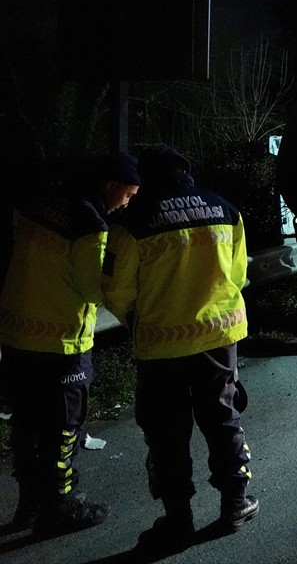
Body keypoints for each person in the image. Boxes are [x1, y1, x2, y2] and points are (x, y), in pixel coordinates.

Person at [104, 145, 258, 553]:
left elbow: (117, 290)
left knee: (167, 433)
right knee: (222, 418)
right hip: (219, 338)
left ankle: (178, 523)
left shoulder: (133, 220)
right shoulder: (225, 209)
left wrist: (136, 318)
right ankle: (236, 503)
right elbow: (239, 273)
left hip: (161, 344)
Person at [0, 152, 140, 535]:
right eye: (127, 195)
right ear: (109, 185)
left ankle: (29, 504)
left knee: (26, 426)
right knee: (64, 431)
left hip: (15, 336)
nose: (127, 204)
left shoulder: (37, 202)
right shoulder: (89, 225)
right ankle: (59, 507)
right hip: (62, 344)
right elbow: (93, 289)